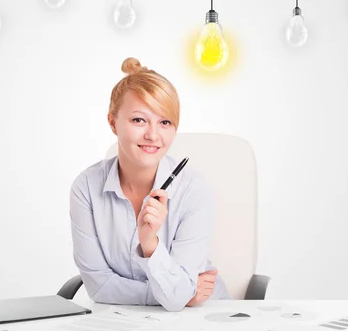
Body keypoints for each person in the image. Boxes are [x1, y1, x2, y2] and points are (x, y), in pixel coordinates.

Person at [69, 57, 230, 311]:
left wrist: (150, 244)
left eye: (165, 122)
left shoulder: (192, 190)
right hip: (128, 319)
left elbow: (177, 299)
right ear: (113, 123)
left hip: (201, 318)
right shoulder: (86, 188)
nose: (153, 135)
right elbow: (98, 287)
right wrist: (177, 292)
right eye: (139, 120)